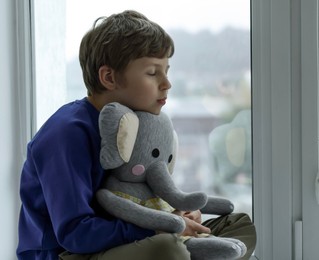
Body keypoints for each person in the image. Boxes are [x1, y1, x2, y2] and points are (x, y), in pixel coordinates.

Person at [17, 10, 256, 260]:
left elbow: (145, 190)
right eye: (153, 73)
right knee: (167, 249)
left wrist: (180, 213)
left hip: (130, 234)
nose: (167, 83)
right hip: (69, 252)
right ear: (109, 77)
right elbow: (75, 233)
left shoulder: (139, 123)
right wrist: (158, 226)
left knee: (238, 224)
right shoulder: (66, 134)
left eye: (167, 71)